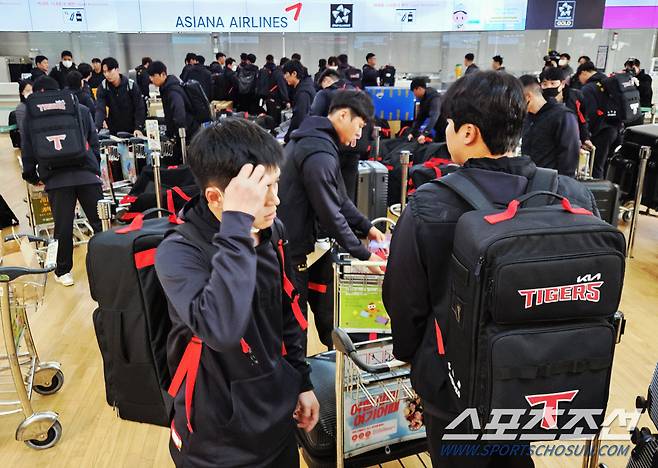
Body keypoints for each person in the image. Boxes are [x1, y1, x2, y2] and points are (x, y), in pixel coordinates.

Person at [382, 70, 598, 468]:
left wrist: (416, 361)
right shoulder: (568, 194)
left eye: (448, 124)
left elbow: (404, 298)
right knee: (515, 455)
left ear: (467, 132)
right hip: (534, 375)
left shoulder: (430, 204)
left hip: (454, 382)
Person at [155, 118, 319, 468]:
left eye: (276, 184)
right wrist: (238, 224)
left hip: (275, 419)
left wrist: (301, 381)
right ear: (216, 197)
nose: (276, 200)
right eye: (261, 191)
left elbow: (287, 312)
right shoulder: (178, 253)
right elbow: (221, 329)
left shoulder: (272, 231)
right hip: (216, 438)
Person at [278, 90, 386, 347]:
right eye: (359, 126)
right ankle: (299, 380)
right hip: (293, 248)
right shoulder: (318, 150)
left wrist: (367, 226)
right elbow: (330, 213)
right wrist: (364, 255)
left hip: (311, 244)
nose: (359, 135)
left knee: (326, 302)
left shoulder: (318, 142)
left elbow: (340, 198)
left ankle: (332, 353)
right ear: (343, 115)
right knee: (296, 319)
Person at [21, 76, 103, 287]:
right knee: (99, 222)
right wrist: (94, 167)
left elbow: (28, 149)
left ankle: (63, 270)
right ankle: (113, 260)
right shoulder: (80, 109)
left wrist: (32, 175)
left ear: (38, 94)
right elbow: (94, 142)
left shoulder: (32, 117)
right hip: (86, 174)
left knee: (63, 227)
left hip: (56, 178)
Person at [520, 74, 580, 177]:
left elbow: (569, 157)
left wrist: (563, 185)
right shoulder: (528, 117)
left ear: (528, 97)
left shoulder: (563, 116)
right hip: (530, 180)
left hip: (551, 183)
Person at [578, 61, 620, 178]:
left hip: (601, 131)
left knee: (596, 166)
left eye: (579, 77)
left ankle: (599, 193)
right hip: (616, 128)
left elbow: (588, 114)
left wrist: (586, 135)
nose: (579, 80)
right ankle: (610, 190)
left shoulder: (589, 88)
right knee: (609, 164)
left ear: (584, 72)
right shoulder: (608, 83)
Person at [148, 61, 197, 158]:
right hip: (186, 132)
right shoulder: (167, 88)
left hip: (187, 134)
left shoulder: (172, 90)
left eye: (153, 76)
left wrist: (179, 134)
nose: (151, 79)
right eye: (150, 76)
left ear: (163, 74)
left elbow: (179, 112)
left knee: (184, 160)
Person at [540, 66, 592, 148]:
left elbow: (582, 119)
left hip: (571, 140)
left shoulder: (575, 97)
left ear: (562, 84)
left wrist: (585, 138)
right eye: (545, 84)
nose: (549, 86)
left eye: (553, 83)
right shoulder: (540, 100)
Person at [95, 57, 145, 136]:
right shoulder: (103, 87)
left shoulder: (131, 85)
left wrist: (138, 128)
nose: (107, 74)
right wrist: (96, 127)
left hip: (132, 130)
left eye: (109, 71)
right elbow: (100, 109)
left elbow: (139, 108)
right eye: (104, 72)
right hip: (114, 130)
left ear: (117, 69)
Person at [282, 60, 316, 143]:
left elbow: (299, 118)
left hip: (304, 137)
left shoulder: (303, 92)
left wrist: (288, 138)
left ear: (294, 73)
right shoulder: (304, 85)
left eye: (286, 74)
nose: (284, 77)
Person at [409, 78, 446, 143]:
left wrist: (424, 134)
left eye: (414, 91)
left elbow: (434, 117)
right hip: (439, 130)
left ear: (419, 89)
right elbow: (421, 118)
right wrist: (412, 133)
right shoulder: (424, 99)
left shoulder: (434, 98)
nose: (414, 95)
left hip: (446, 129)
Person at [259, 54, 289, 126]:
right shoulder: (280, 74)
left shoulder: (275, 71)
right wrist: (287, 100)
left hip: (269, 99)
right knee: (275, 121)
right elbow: (282, 88)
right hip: (275, 100)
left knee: (270, 119)